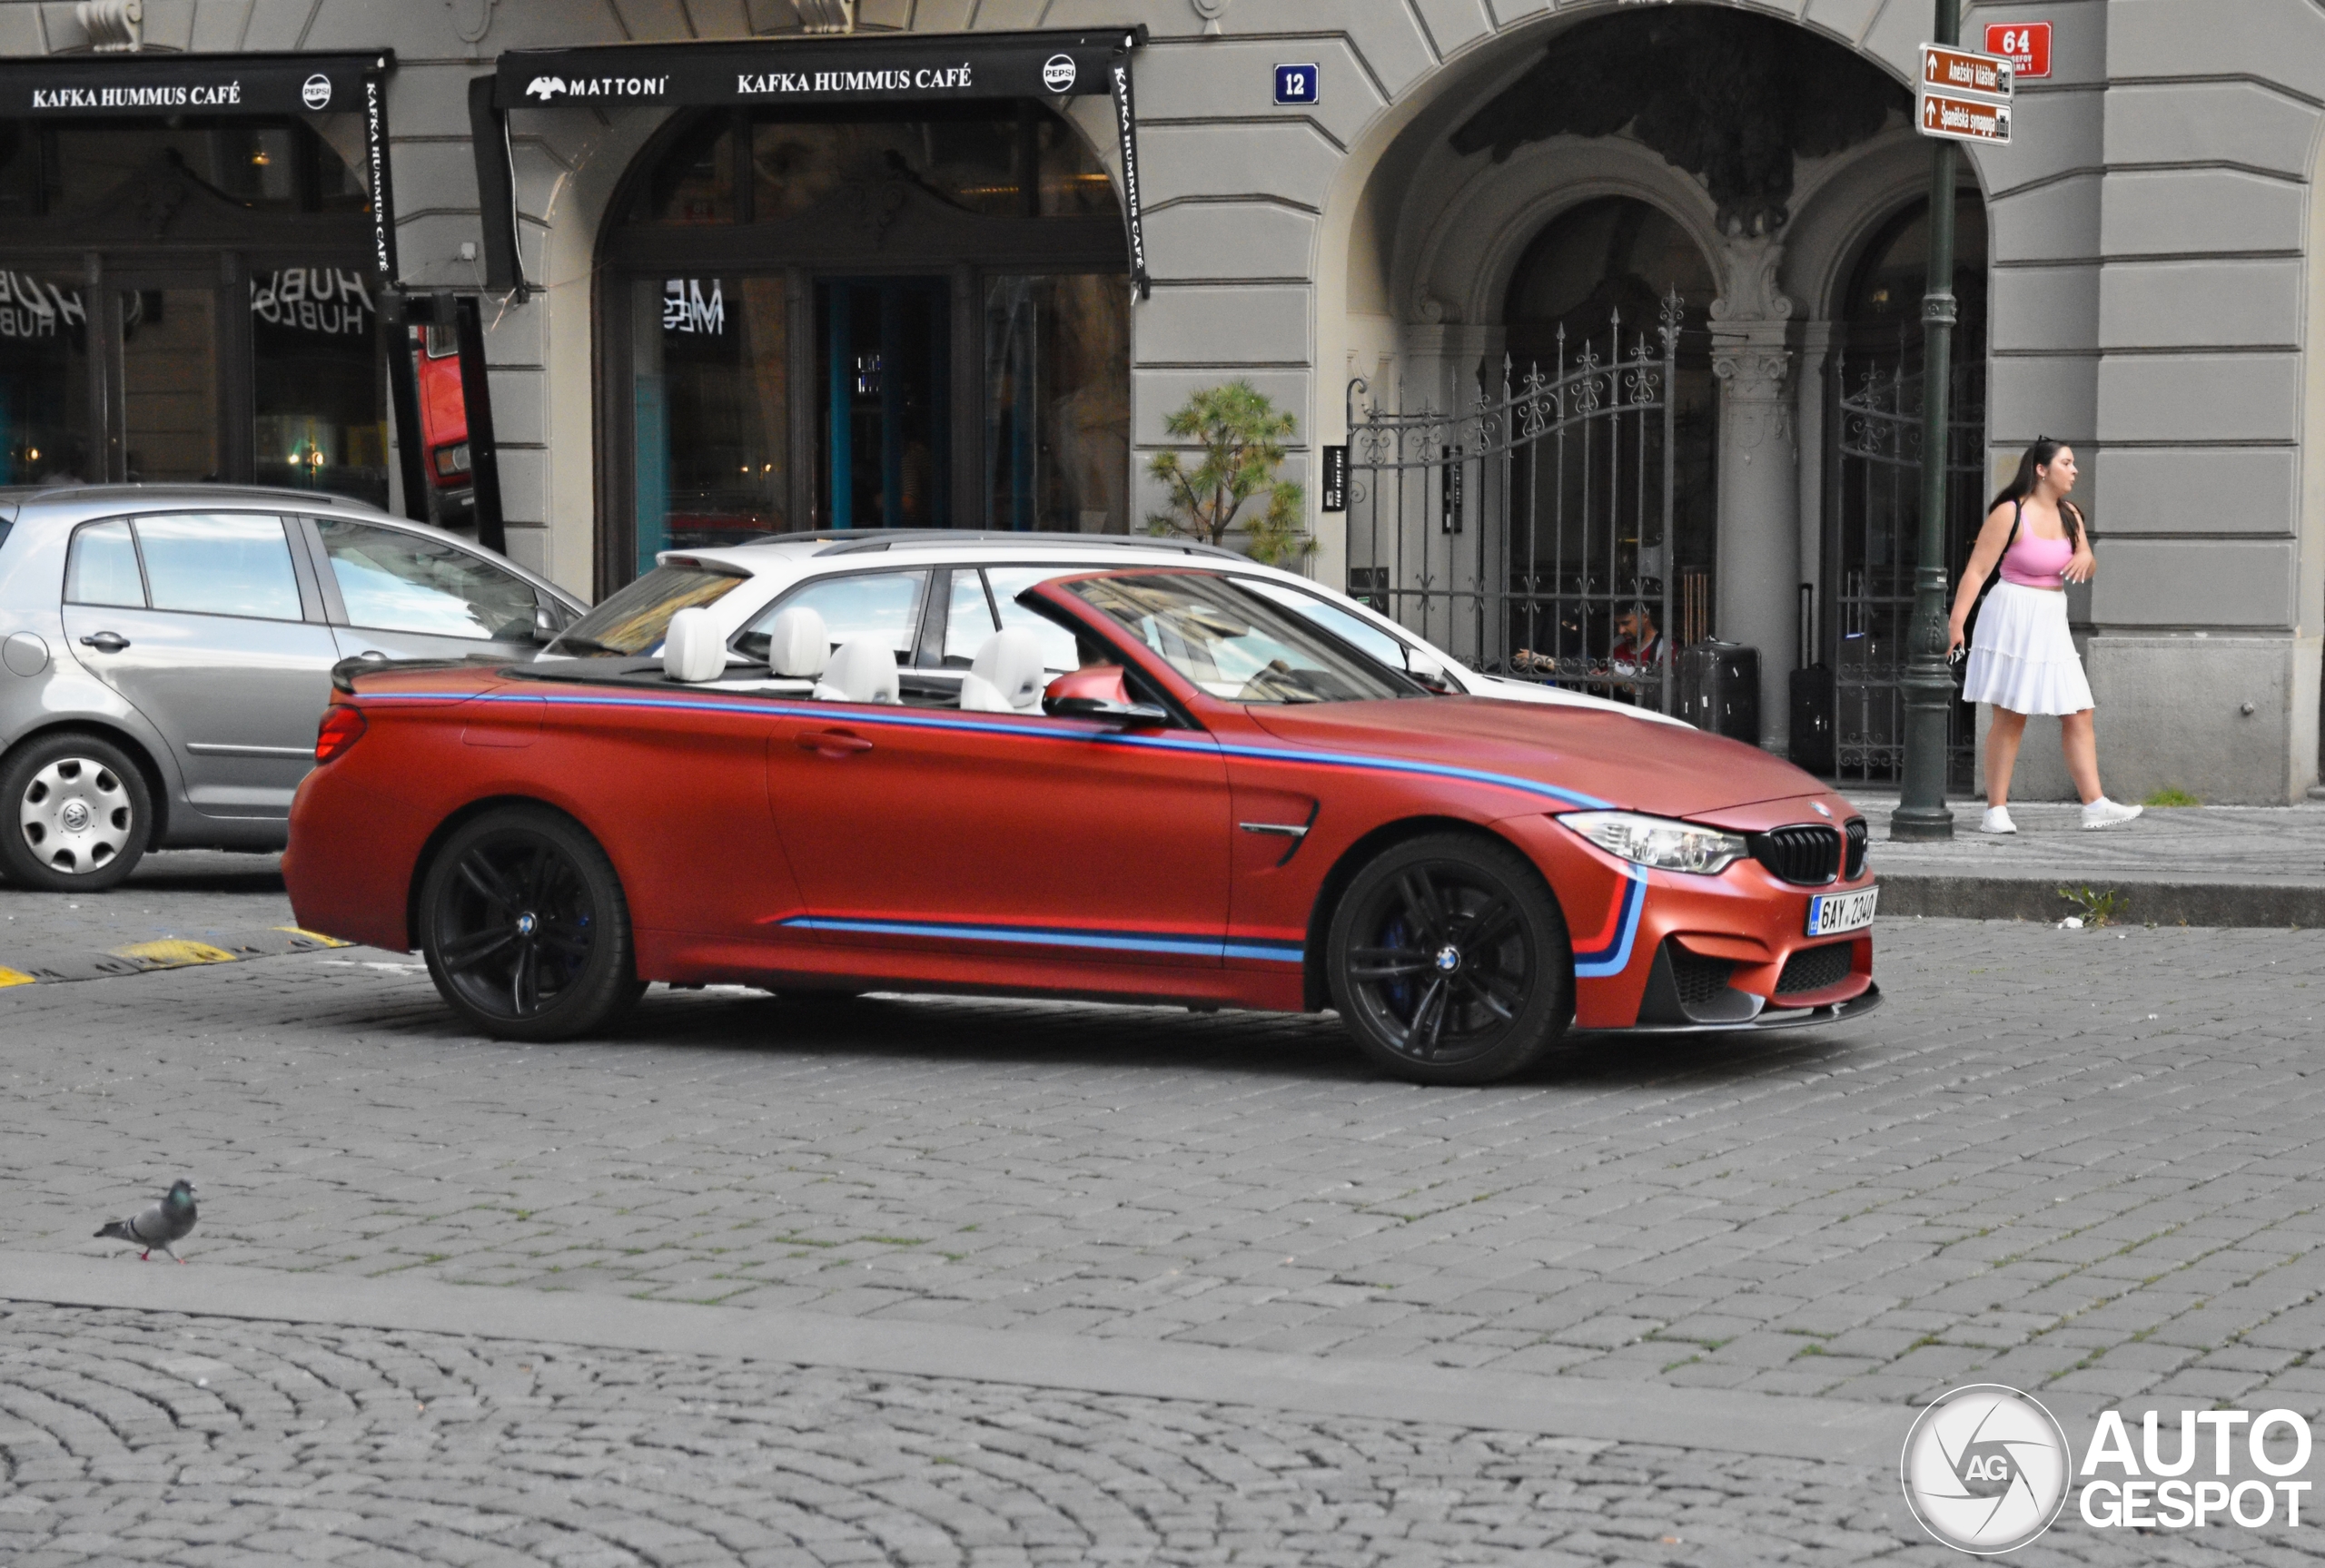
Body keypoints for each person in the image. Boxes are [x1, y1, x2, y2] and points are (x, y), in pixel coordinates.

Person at [1946, 437, 2142, 833]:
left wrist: (2088, 556)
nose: (2074, 470)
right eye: (2066, 463)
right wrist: (1956, 625)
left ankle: (2095, 804)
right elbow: (1977, 571)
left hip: (2052, 616)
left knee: (2078, 710)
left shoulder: (2070, 513)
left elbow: (2084, 556)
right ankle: (1995, 811)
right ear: (2041, 469)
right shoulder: (2009, 512)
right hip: (2013, 613)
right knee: (2011, 714)